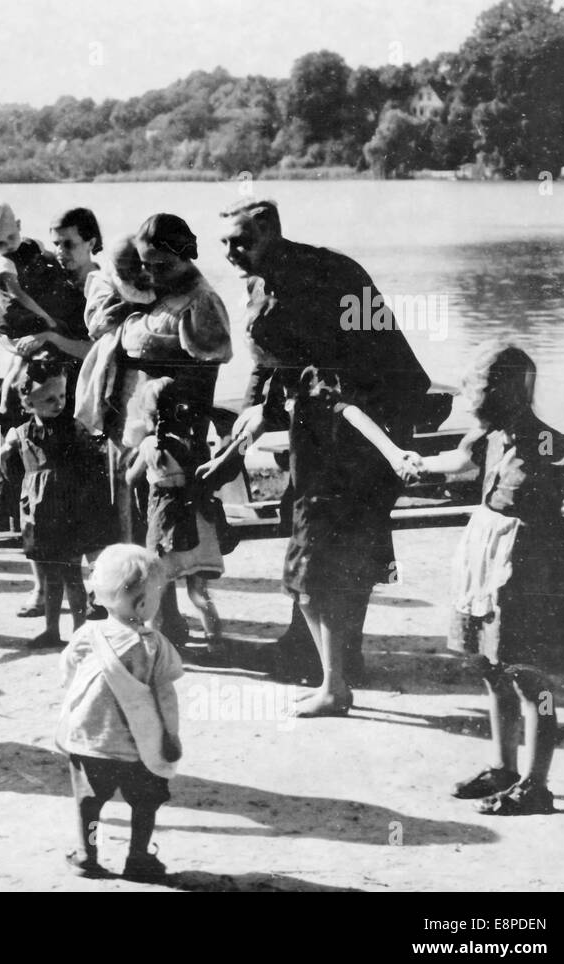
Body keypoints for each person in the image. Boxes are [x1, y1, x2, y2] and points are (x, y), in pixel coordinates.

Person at [206, 198, 431, 686]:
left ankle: (337, 659)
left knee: (346, 529)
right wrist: (253, 412)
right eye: (223, 241)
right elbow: (268, 357)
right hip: (324, 412)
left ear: (271, 232)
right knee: (311, 523)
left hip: (368, 413)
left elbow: (339, 368)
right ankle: (310, 648)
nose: (230, 252)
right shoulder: (259, 279)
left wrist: (268, 414)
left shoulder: (324, 274)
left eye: (241, 240)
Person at [411, 343, 564, 814]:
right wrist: (417, 464)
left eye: (480, 387)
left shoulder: (546, 440)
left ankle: (537, 785)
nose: (472, 396)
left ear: (511, 390)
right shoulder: (488, 436)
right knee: (491, 667)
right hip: (487, 557)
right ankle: (503, 768)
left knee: (530, 677)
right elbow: (459, 461)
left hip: (532, 566)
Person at [209, 366, 416, 715]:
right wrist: (228, 457)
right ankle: (332, 681)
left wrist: (394, 453)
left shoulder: (317, 379)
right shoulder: (285, 378)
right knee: (301, 591)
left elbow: (353, 414)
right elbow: (258, 421)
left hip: (325, 501)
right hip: (306, 502)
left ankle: (334, 687)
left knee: (319, 590)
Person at [76, 214, 232, 645]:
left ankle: (170, 627)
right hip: (131, 428)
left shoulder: (200, 302)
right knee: (136, 525)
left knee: (166, 534)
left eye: (160, 265)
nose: (149, 274)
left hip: (169, 436)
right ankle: (163, 619)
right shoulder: (154, 296)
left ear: (185, 256)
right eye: (144, 265)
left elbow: (205, 374)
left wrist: (173, 431)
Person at [0, 358, 115, 648]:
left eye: (62, 396)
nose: (58, 403)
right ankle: (52, 630)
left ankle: (79, 634)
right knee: (51, 575)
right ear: (28, 402)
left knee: (72, 575)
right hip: (39, 512)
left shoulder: (75, 429)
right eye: (49, 398)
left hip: (70, 509)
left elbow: (95, 463)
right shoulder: (20, 433)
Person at [55, 543, 182, 882]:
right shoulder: (154, 646)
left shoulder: (87, 633)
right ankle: (138, 857)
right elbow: (166, 695)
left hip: (89, 739)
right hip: (136, 745)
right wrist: (171, 736)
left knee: (89, 802)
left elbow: (67, 672)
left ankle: (87, 854)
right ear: (143, 604)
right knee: (144, 803)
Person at [124, 376, 228, 658]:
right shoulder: (194, 441)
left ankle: (158, 645)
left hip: (167, 525)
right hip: (198, 523)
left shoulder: (150, 446)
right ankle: (215, 641)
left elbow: (130, 478)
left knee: (158, 587)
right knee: (199, 591)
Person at [0, 201, 88, 422]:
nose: (7, 245)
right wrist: (45, 316)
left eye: (10, 237)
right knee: (21, 358)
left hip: (34, 317)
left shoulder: (33, 245)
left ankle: (60, 404)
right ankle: (6, 404)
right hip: (17, 321)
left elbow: (50, 258)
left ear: (18, 226)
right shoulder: (2, 264)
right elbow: (19, 295)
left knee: (54, 343)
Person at [49, 207, 103, 294]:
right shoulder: (51, 285)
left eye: (68, 244)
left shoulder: (105, 288)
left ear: (91, 244)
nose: (60, 251)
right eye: (56, 244)